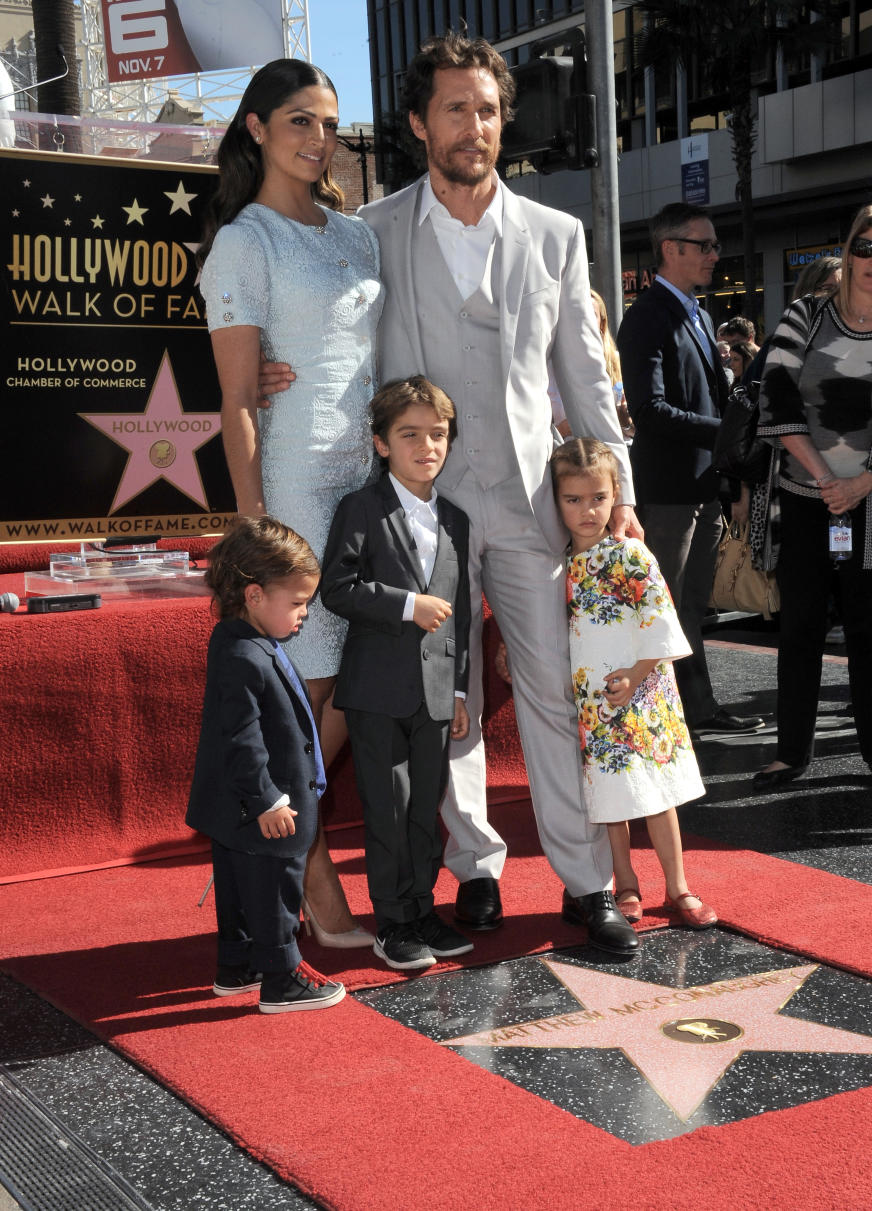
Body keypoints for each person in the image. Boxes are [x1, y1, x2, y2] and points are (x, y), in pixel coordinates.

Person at [260, 33, 640, 954]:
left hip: (524, 504)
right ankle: (476, 867)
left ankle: (586, 883)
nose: (475, 126)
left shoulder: (558, 237)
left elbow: (585, 382)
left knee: (550, 687)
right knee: (443, 700)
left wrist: (617, 493)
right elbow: (327, 328)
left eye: (488, 109)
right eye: (456, 108)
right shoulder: (369, 231)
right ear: (419, 122)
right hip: (409, 515)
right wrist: (276, 369)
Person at [197, 59, 382, 946]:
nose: (318, 140)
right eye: (299, 121)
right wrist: (252, 527)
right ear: (257, 128)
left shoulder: (358, 236)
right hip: (296, 487)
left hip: (371, 486)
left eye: (329, 124)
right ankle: (307, 868)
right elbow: (236, 396)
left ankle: (286, 840)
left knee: (365, 671)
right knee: (306, 692)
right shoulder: (244, 242)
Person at [753, 202, 872, 793]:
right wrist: (825, 478)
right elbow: (775, 399)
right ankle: (791, 753)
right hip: (805, 498)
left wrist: (863, 480)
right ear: (848, 249)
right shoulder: (805, 315)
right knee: (801, 627)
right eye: (866, 246)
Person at [320, 377, 473, 971]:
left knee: (424, 809)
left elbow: (460, 611)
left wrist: (460, 688)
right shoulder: (361, 507)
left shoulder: (456, 518)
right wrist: (407, 605)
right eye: (410, 435)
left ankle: (422, 909)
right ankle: (392, 921)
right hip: (377, 689)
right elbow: (337, 587)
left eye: (438, 435)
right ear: (381, 444)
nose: (427, 446)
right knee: (386, 807)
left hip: (436, 694)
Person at [552, 438, 718, 929]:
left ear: (616, 493)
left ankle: (678, 885)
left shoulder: (630, 554)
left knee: (656, 792)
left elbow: (661, 621)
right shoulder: (555, 563)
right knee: (608, 795)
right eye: (573, 500)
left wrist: (636, 675)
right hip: (592, 698)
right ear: (555, 500)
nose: (587, 511)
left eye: (598, 498)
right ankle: (623, 883)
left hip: (644, 692)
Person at [186, 516, 347, 1014]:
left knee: (236, 888)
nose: (303, 614)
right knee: (275, 888)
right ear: (254, 595)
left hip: (232, 809)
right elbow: (241, 738)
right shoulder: (245, 655)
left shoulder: (237, 641)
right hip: (261, 806)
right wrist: (268, 799)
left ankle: (238, 966)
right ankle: (282, 978)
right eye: (297, 603)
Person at [617, 202, 763, 737]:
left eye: (715, 244)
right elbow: (650, 409)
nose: (714, 254)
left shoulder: (700, 316)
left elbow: (715, 402)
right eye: (704, 245)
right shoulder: (646, 316)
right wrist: (724, 432)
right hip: (668, 490)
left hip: (703, 487)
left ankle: (693, 710)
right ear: (671, 249)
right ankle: (664, 715)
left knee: (691, 604)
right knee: (665, 606)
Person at [591, 289, 634, 440]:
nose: (583, 323)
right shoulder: (554, 363)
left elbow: (633, 431)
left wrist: (625, 420)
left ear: (602, 323)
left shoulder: (616, 361)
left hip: (613, 451)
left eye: (591, 316)